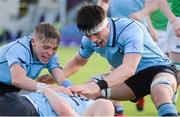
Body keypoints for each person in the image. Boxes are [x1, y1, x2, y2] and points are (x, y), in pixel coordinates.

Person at [64, 4, 178, 116]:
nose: (93, 40)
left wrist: (97, 86)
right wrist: (56, 76)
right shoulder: (89, 39)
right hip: (132, 79)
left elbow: (129, 68)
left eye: (96, 34)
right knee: (88, 91)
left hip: (159, 69)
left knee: (160, 92)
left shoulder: (130, 29)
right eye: (89, 36)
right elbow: (78, 61)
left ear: (106, 24)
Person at [0, 22, 70, 96]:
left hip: (15, 87)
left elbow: (61, 80)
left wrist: (72, 88)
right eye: (46, 47)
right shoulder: (19, 49)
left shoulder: (51, 54)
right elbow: (18, 80)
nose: (50, 52)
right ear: (33, 41)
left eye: (55, 48)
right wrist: (48, 88)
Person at [0, 86, 114, 116]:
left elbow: (64, 112)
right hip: (20, 100)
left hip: (29, 108)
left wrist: (46, 90)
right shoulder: (80, 98)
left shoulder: (101, 104)